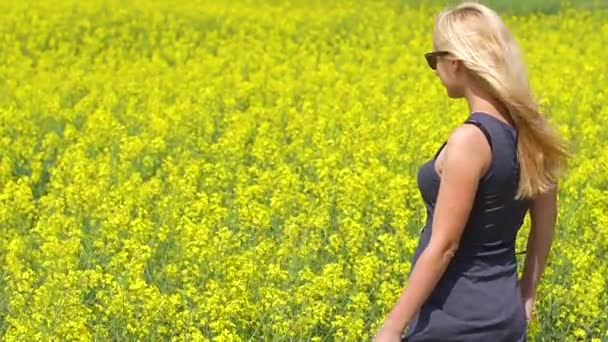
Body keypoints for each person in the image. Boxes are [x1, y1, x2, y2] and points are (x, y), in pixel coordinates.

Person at [374, 2, 569, 341]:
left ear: (456, 62)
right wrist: (527, 294)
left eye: (433, 58)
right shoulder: (534, 135)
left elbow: (445, 245)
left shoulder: (471, 141)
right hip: (503, 316)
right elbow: (545, 226)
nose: (433, 69)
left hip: (454, 318)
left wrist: (391, 329)